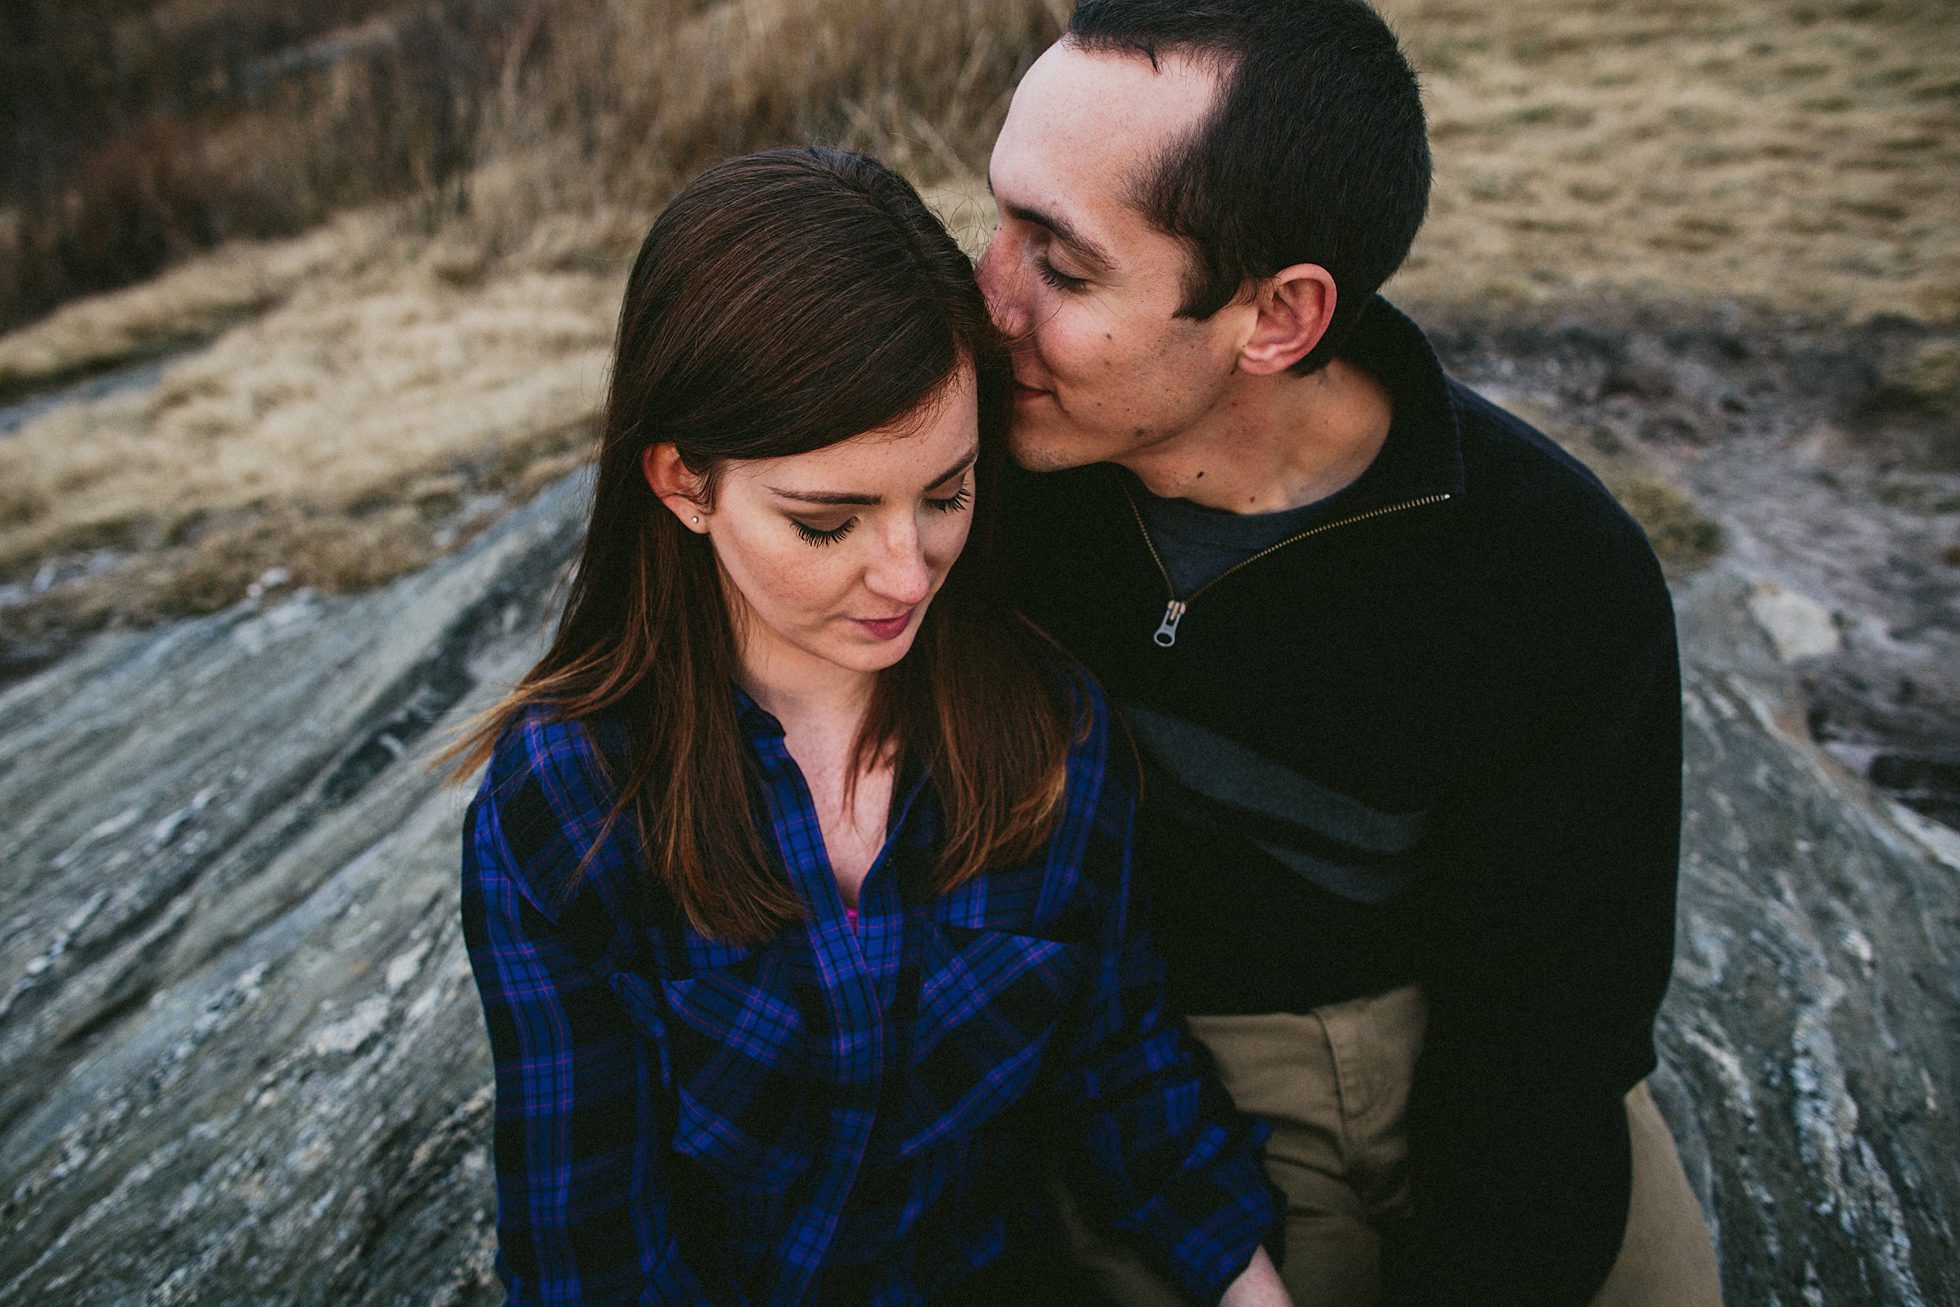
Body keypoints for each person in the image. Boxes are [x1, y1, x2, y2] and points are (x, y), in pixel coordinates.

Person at [452, 147, 1292, 1306]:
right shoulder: (569, 795)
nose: (906, 572)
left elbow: (1122, 1074)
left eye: (945, 493)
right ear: (683, 482)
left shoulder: (1053, 733)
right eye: (826, 522)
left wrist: (1253, 1290)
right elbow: (585, 1244)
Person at [977, 2, 1724, 1304]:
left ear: (1278, 318)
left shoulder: (1548, 573)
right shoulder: (968, 485)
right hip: (1168, 1057)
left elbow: (1552, 1028)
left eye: (1061, 262)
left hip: (1470, 1033)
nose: (988, 296)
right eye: (998, 217)